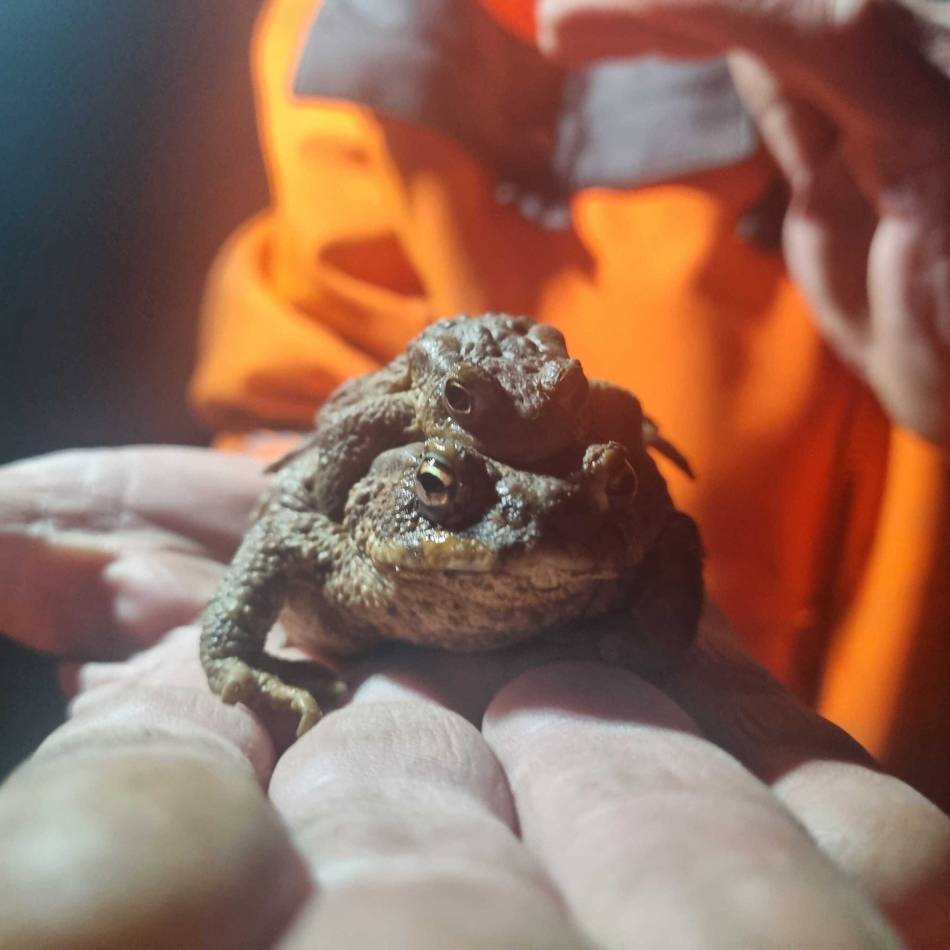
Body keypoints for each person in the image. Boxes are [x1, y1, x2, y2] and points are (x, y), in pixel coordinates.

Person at [0, 0, 947, 946]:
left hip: (894, 681)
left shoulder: (593, 451)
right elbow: (321, 382)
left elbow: (658, 521)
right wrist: (238, 631)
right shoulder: (343, 28)